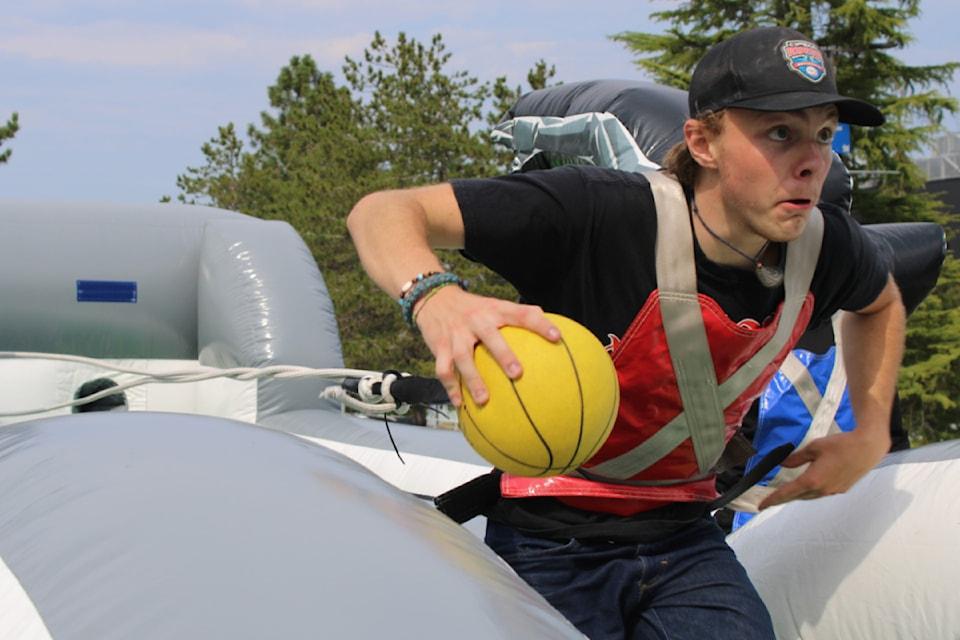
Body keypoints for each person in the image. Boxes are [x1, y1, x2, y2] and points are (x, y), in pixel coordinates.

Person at [347, 26, 904, 640]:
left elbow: (880, 304)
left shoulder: (825, 246)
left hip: (685, 537)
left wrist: (871, 431)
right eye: (780, 133)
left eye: (823, 135)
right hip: (545, 536)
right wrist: (437, 299)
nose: (812, 162)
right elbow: (381, 212)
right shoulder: (599, 213)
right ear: (703, 142)